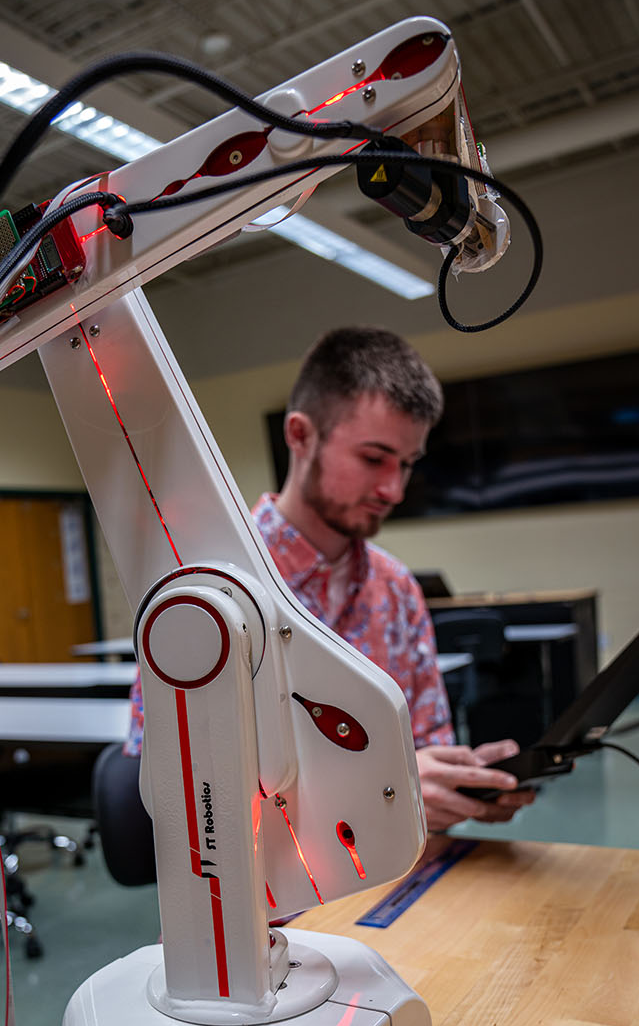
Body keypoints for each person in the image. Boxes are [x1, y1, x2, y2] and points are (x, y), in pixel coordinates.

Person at [126, 326, 535, 833]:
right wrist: (387, 787)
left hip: (396, 868)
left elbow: (425, 746)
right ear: (300, 436)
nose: (394, 489)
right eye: (373, 458)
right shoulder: (209, 591)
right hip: (268, 900)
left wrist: (456, 785)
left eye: (406, 465)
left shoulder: (398, 588)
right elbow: (176, 791)